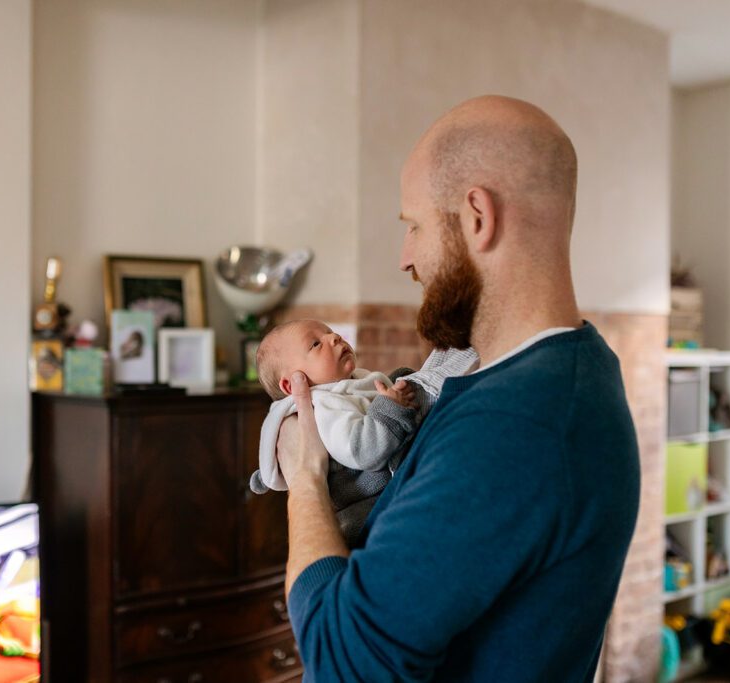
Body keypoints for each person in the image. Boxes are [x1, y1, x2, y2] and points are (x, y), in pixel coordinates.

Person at [275, 95, 641, 681]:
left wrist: (305, 476)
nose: (406, 258)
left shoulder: (520, 423)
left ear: (477, 217)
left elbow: (341, 662)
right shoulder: (546, 373)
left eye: (414, 226)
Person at [249, 318, 477, 543]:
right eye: (316, 344)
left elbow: (371, 397)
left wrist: (399, 382)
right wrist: (391, 406)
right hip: (361, 509)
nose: (333, 337)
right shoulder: (325, 406)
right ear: (291, 384)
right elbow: (363, 449)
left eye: (329, 332)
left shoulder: (351, 383)